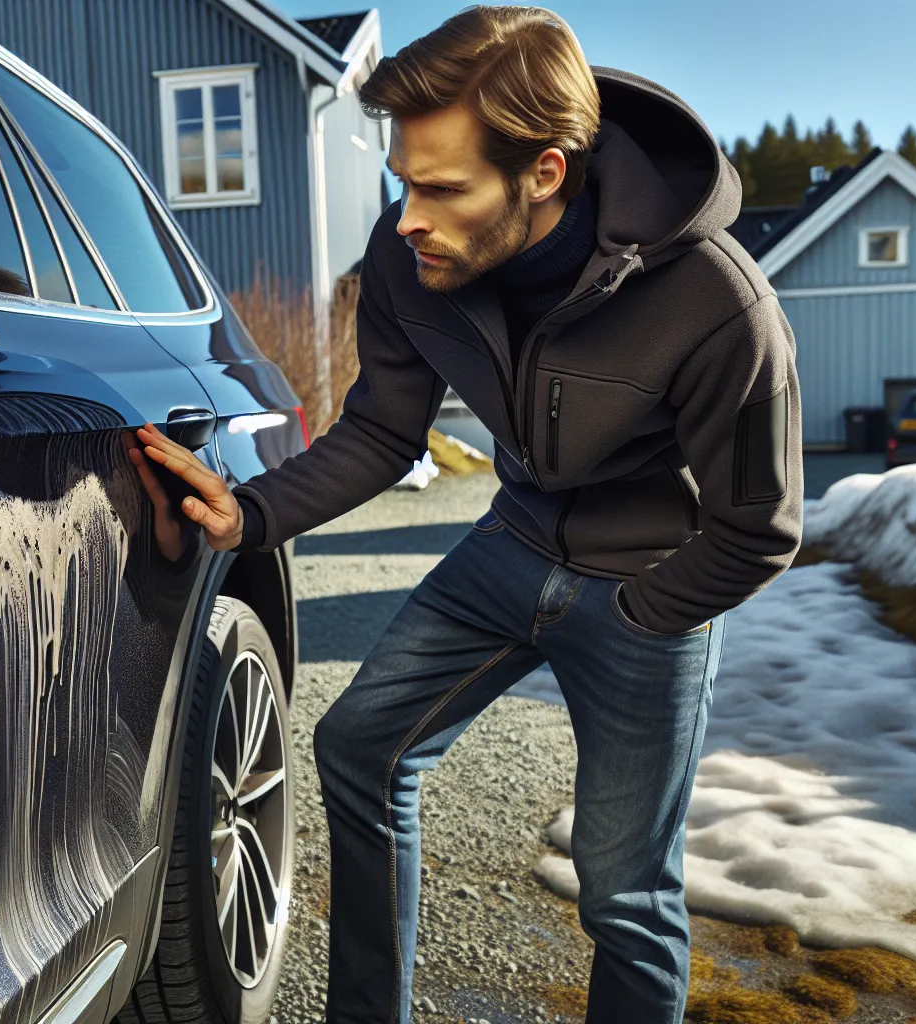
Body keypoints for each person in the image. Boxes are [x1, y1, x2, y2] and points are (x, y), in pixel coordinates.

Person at [135, 6, 803, 1022]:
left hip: (649, 587)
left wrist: (643, 618)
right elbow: (381, 431)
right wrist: (251, 513)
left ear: (544, 173)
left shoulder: (720, 306)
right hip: (509, 548)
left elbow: (760, 528)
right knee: (359, 749)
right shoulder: (412, 255)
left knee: (624, 890)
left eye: (443, 188)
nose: (409, 216)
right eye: (404, 181)